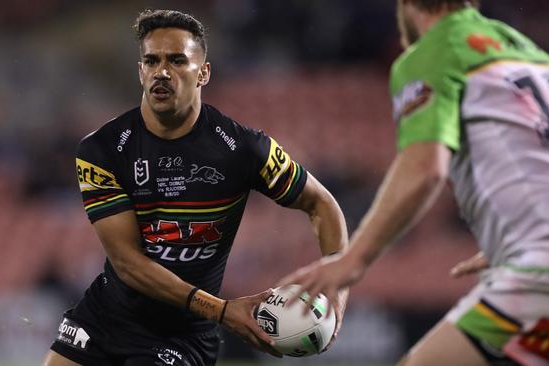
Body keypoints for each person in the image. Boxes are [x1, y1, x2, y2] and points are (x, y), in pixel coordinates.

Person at [280, 1, 549, 365]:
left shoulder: (436, 50)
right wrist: (514, 234)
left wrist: (354, 261)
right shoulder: (531, 54)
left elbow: (426, 168)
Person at [42, 9, 348, 366]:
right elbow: (127, 263)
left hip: (182, 336)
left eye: (176, 60)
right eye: (151, 61)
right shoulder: (103, 150)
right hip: (105, 317)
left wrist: (338, 291)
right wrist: (222, 310)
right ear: (140, 71)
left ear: (203, 72)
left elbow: (322, 205)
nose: (162, 72)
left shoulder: (244, 148)